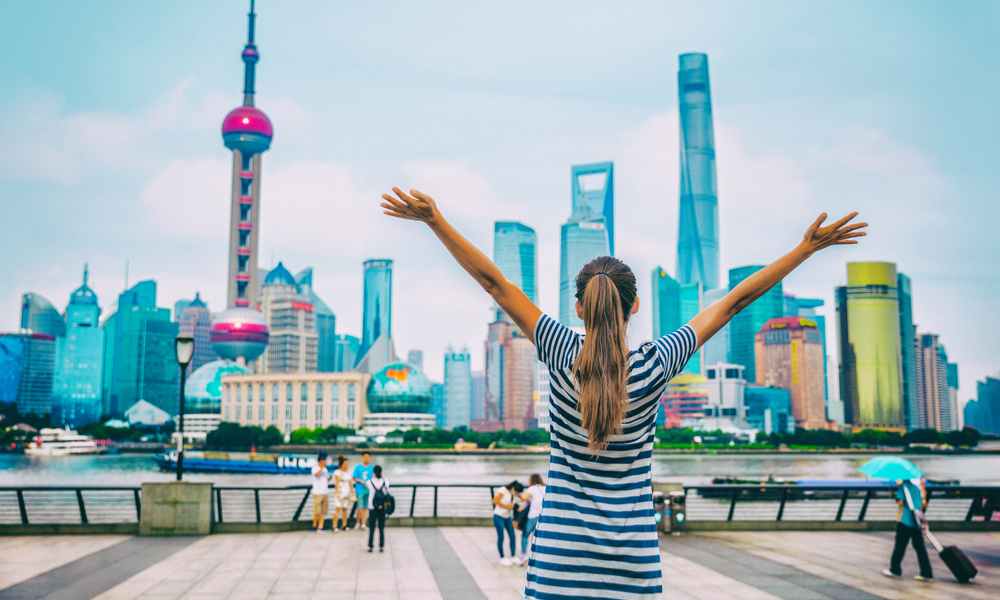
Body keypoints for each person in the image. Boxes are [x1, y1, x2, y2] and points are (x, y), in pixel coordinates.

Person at [380, 186, 865, 599]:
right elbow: (733, 302)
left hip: (557, 561)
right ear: (634, 308)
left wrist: (435, 220)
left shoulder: (558, 348)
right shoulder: (656, 364)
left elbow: (496, 284)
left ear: (578, 308)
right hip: (633, 563)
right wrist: (804, 250)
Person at [884, 478, 933, 582]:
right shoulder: (916, 488)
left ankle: (895, 570)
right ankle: (926, 573)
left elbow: (900, 502)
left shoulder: (903, 487)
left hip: (905, 521)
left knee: (900, 546)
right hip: (916, 522)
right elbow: (922, 504)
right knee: (920, 548)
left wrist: (893, 494)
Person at [516, 474, 545, 566]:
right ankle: (538, 556)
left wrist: (517, 493)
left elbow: (524, 497)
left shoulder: (532, 488)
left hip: (533, 515)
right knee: (538, 537)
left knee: (525, 535)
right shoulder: (545, 487)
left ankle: (524, 555)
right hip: (543, 515)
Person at [493, 481, 521, 566]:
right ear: (512, 488)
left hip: (508, 517)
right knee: (501, 537)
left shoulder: (513, 494)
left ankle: (513, 556)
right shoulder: (503, 490)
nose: (516, 493)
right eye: (516, 492)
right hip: (499, 516)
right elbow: (495, 500)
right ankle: (502, 557)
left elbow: (521, 499)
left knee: (512, 536)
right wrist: (507, 506)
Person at [367, 465, 390, 553]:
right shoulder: (385, 481)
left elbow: (368, 487)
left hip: (372, 507)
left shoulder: (369, 482)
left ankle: (370, 546)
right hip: (382, 507)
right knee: (381, 527)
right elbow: (386, 489)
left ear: (373, 472)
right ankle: (381, 546)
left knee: (372, 528)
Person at [310, 450, 332, 533]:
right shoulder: (315, 468)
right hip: (317, 492)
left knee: (323, 511)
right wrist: (322, 466)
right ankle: (314, 526)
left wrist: (329, 478)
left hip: (325, 492)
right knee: (317, 511)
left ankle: (320, 526)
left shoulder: (325, 469)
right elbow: (317, 474)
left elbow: (325, 478)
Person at [331, 455, 354, 532]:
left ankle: (344, 525)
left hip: (347, 493)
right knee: (337, 509)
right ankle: (334, 526)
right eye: (345, 463)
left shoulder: (349, 472)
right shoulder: (337, 472)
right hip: (340, 492)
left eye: (348, 463)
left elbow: (351, 484)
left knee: (345, 509)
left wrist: (353, 493)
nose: (347, 465)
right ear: (341, 464)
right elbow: (336, 483)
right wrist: (337, 493)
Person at [353, 452, 374, 531]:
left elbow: (374, 478)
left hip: (368, 491)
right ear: (362, 458)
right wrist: (361, 481)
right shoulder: (358, 467)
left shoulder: (371, 468)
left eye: (368, 457)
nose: (366, 458)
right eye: (365, 457)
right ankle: (357, 523)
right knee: (359, 508)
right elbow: (354, 477)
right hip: (360, 490)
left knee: (366, 508)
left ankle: (363, 524)